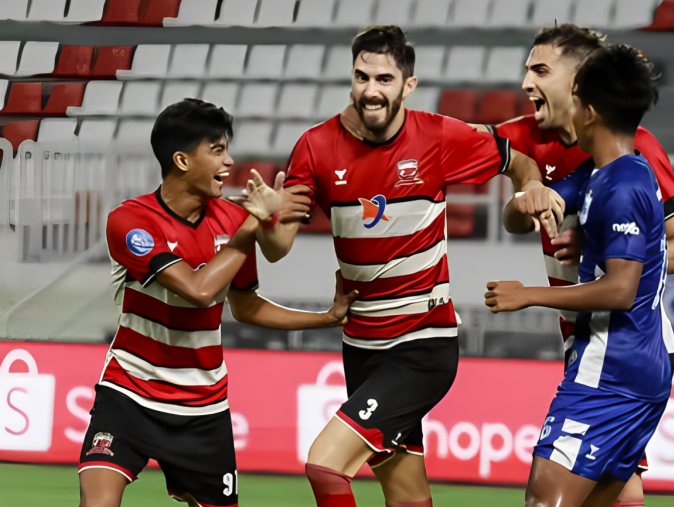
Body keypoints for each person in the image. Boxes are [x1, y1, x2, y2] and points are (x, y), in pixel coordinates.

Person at [240, 25, 561, 507]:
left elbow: (519, 163)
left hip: (423, 343)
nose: (371, 89)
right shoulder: (315, 146)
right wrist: (268, 218)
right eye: (361, 76)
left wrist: (528, 190)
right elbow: (278, 247)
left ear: (407, 86)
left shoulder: (440, 135)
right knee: (407, 493)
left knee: (325, 465)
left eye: (384, 79)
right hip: (362, 345)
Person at [77, 99, 357, 507]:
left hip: (204, 407)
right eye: (217, 150)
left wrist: (326, 319)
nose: (230, 162)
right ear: (182, 160)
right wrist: (251, 226)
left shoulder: (229, 219)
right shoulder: (132, 221)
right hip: (129, 394)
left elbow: (246, 307)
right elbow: (197, 289)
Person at [481, 24, 674, 507]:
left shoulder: (628, 172)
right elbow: (527, 210)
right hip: (619, 354)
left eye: (541, 70)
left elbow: (630, 282)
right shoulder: (595, 171)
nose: (526, 83)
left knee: (546, 500)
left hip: (613, 358)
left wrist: (532, 293)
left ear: (585, 99)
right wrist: (528, 190)